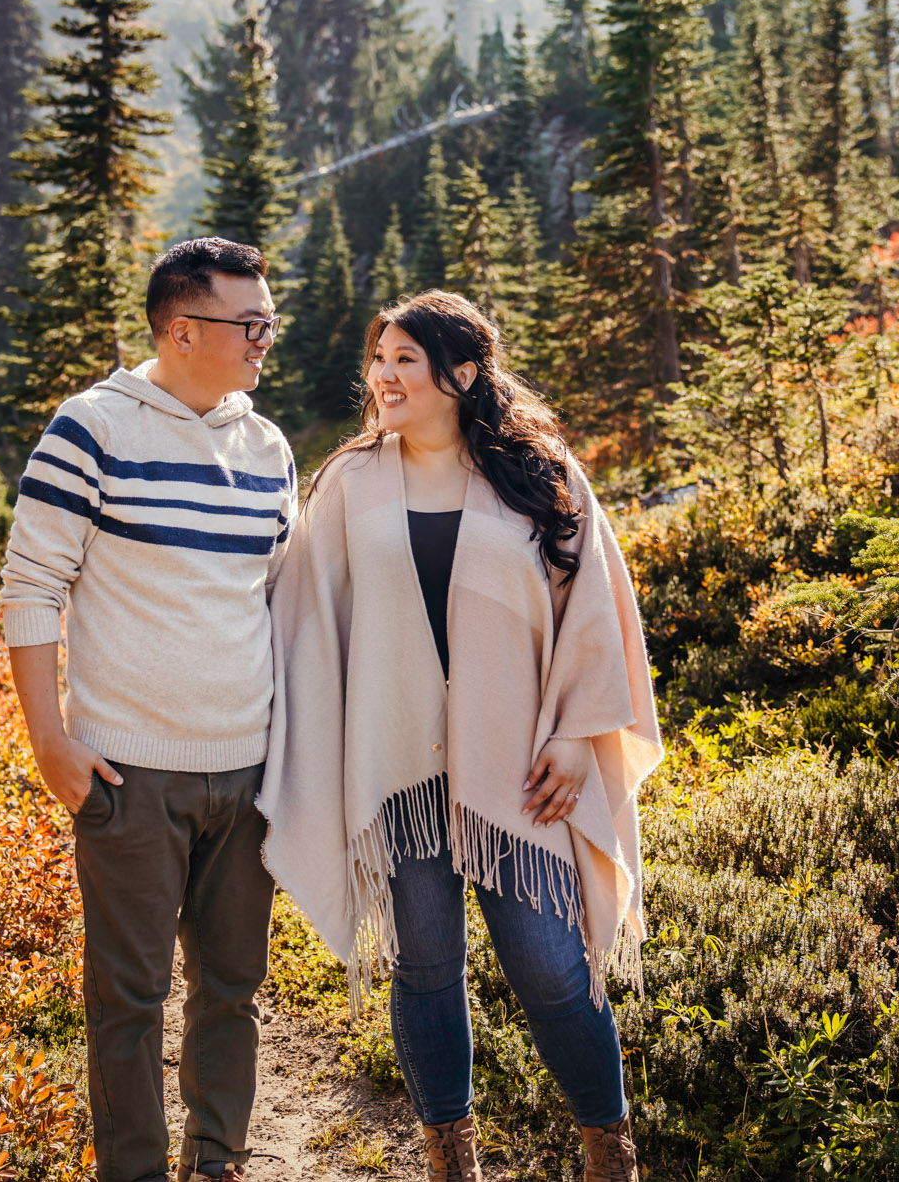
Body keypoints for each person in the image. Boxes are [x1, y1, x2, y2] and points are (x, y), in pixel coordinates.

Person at [260, 291, 662, 1182]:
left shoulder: (538, 471)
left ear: (462, 373)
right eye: (379, 359)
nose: (385, 376)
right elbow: (300, 616)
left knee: (552, 969)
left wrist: (574, 736)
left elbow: (595, 609)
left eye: (406, 359)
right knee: (426, 969)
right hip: (398, 765)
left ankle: (611, 1153)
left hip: (520, 766)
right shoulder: (350, 482)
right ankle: (453, 1161)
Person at [1, 238, 295, 1182]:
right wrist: (51, 739)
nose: (263, 340)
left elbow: (279, 597)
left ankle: (218, 1162)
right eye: (247, 325)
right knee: (127, 998)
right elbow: (31, 584)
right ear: (180, 330)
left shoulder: (268, 445)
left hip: (247, 769)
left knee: (232, 989)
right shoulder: (91, 429)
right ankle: (132, 1170)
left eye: (268, 322)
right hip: (130, 773)